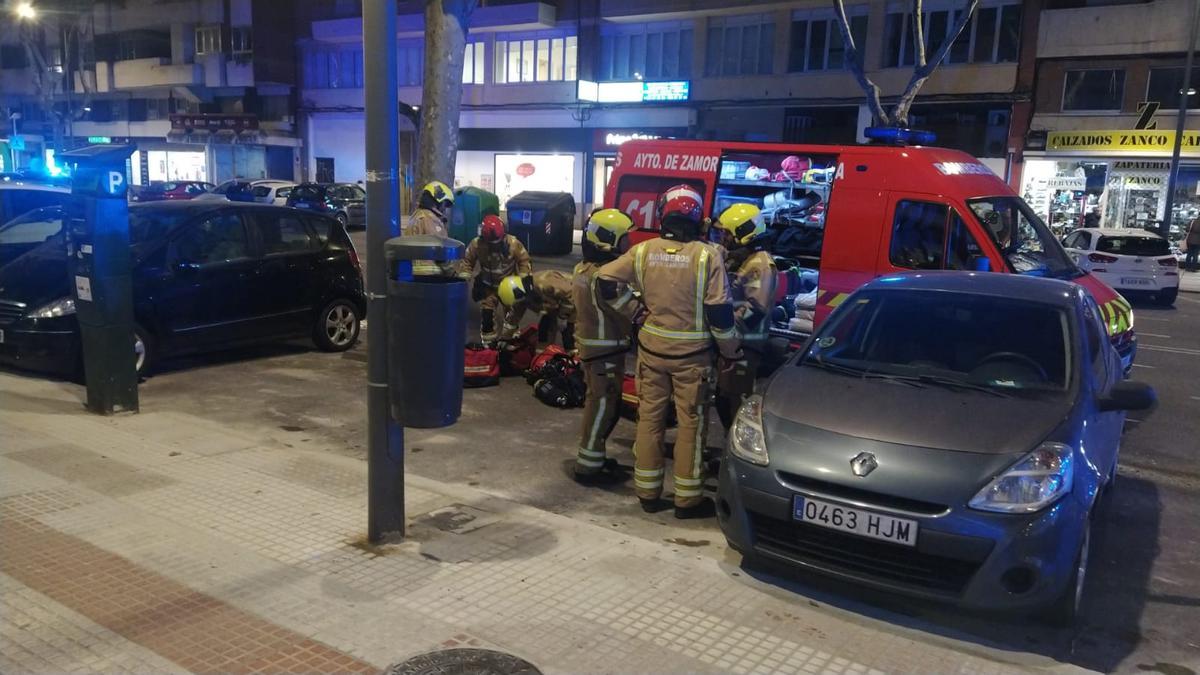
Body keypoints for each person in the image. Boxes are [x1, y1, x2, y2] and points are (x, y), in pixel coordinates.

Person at [597, 184, 741, 519]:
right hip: (693, 359)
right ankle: (687, 500)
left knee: (649, 419)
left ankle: (647, 492)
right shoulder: (708, 256)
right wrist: (730, 352)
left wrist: (634, 312)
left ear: (663, 214)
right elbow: (719, 312)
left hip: (652, 353)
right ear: (697, 218)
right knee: (691, 424)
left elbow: (604, 279)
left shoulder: (643, 251)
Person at [571, 209, 638, 483]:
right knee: (603, 408)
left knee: (597, 403)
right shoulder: (605, 278)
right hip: (605, 351)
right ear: (608, 240)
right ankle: (588, 466)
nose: (628, 245)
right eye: (624, 239)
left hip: (593, 350)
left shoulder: (582, 269)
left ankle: (594, 457)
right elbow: (631, 311)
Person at [708, 204, 778, 430]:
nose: (723, 238)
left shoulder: (760, 265)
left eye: (727, 233)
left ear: (743, 233)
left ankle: (738, 447)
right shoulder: (746, 259)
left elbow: (756, 309)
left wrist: (727, 330)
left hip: (745, 345)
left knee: (734, 404)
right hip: (735, 343)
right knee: (724, 398)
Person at [461, 215, 532, 343]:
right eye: (491, 243)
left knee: (512, 317)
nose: (494, 246)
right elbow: (467, 261)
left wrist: (524, 280)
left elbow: (524, 261)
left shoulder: (513, 243)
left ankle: (512, 340)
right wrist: (463, 280)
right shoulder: (477, 244)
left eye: (497, 242)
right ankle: (488, 344)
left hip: (509, 286)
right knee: (487, 315)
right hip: (488, 286)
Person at [497, 270, 576, 350]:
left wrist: (563, 317)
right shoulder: (521, 295)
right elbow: (513, 318)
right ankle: (545, 353)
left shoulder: (546, 284)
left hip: (576, 299)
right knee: (544, 330)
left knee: (570, 334)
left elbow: (572, 293)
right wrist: (505, 338)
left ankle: (574, 352)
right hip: (556, 305)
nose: (519, 303)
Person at [407, 181, 455, 276]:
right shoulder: (431, 220)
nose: (444, 209)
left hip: (413, 273)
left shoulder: (416, 216)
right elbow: (441, 252)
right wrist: (452, 273)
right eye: (445, 204)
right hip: (429, 276)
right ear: (438, 201)